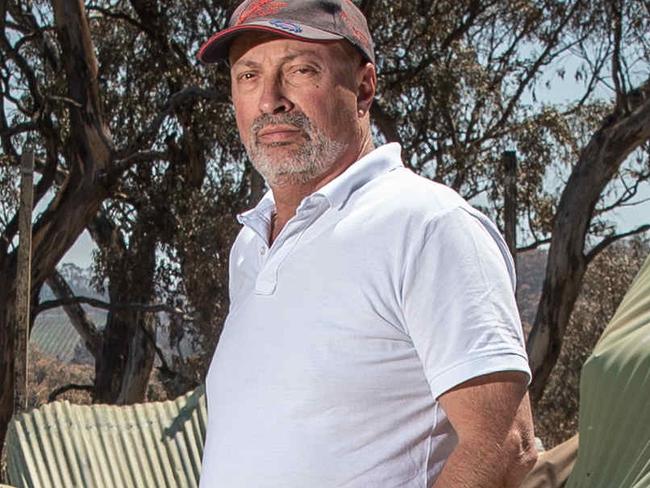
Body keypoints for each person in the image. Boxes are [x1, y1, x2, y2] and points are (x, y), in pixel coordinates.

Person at [197, 1, 538, 486]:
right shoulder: (250, 246)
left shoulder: (427, 226)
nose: (270, 100)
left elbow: (504, 446)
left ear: (364, 86)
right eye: (248, 76)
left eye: (299, 70)